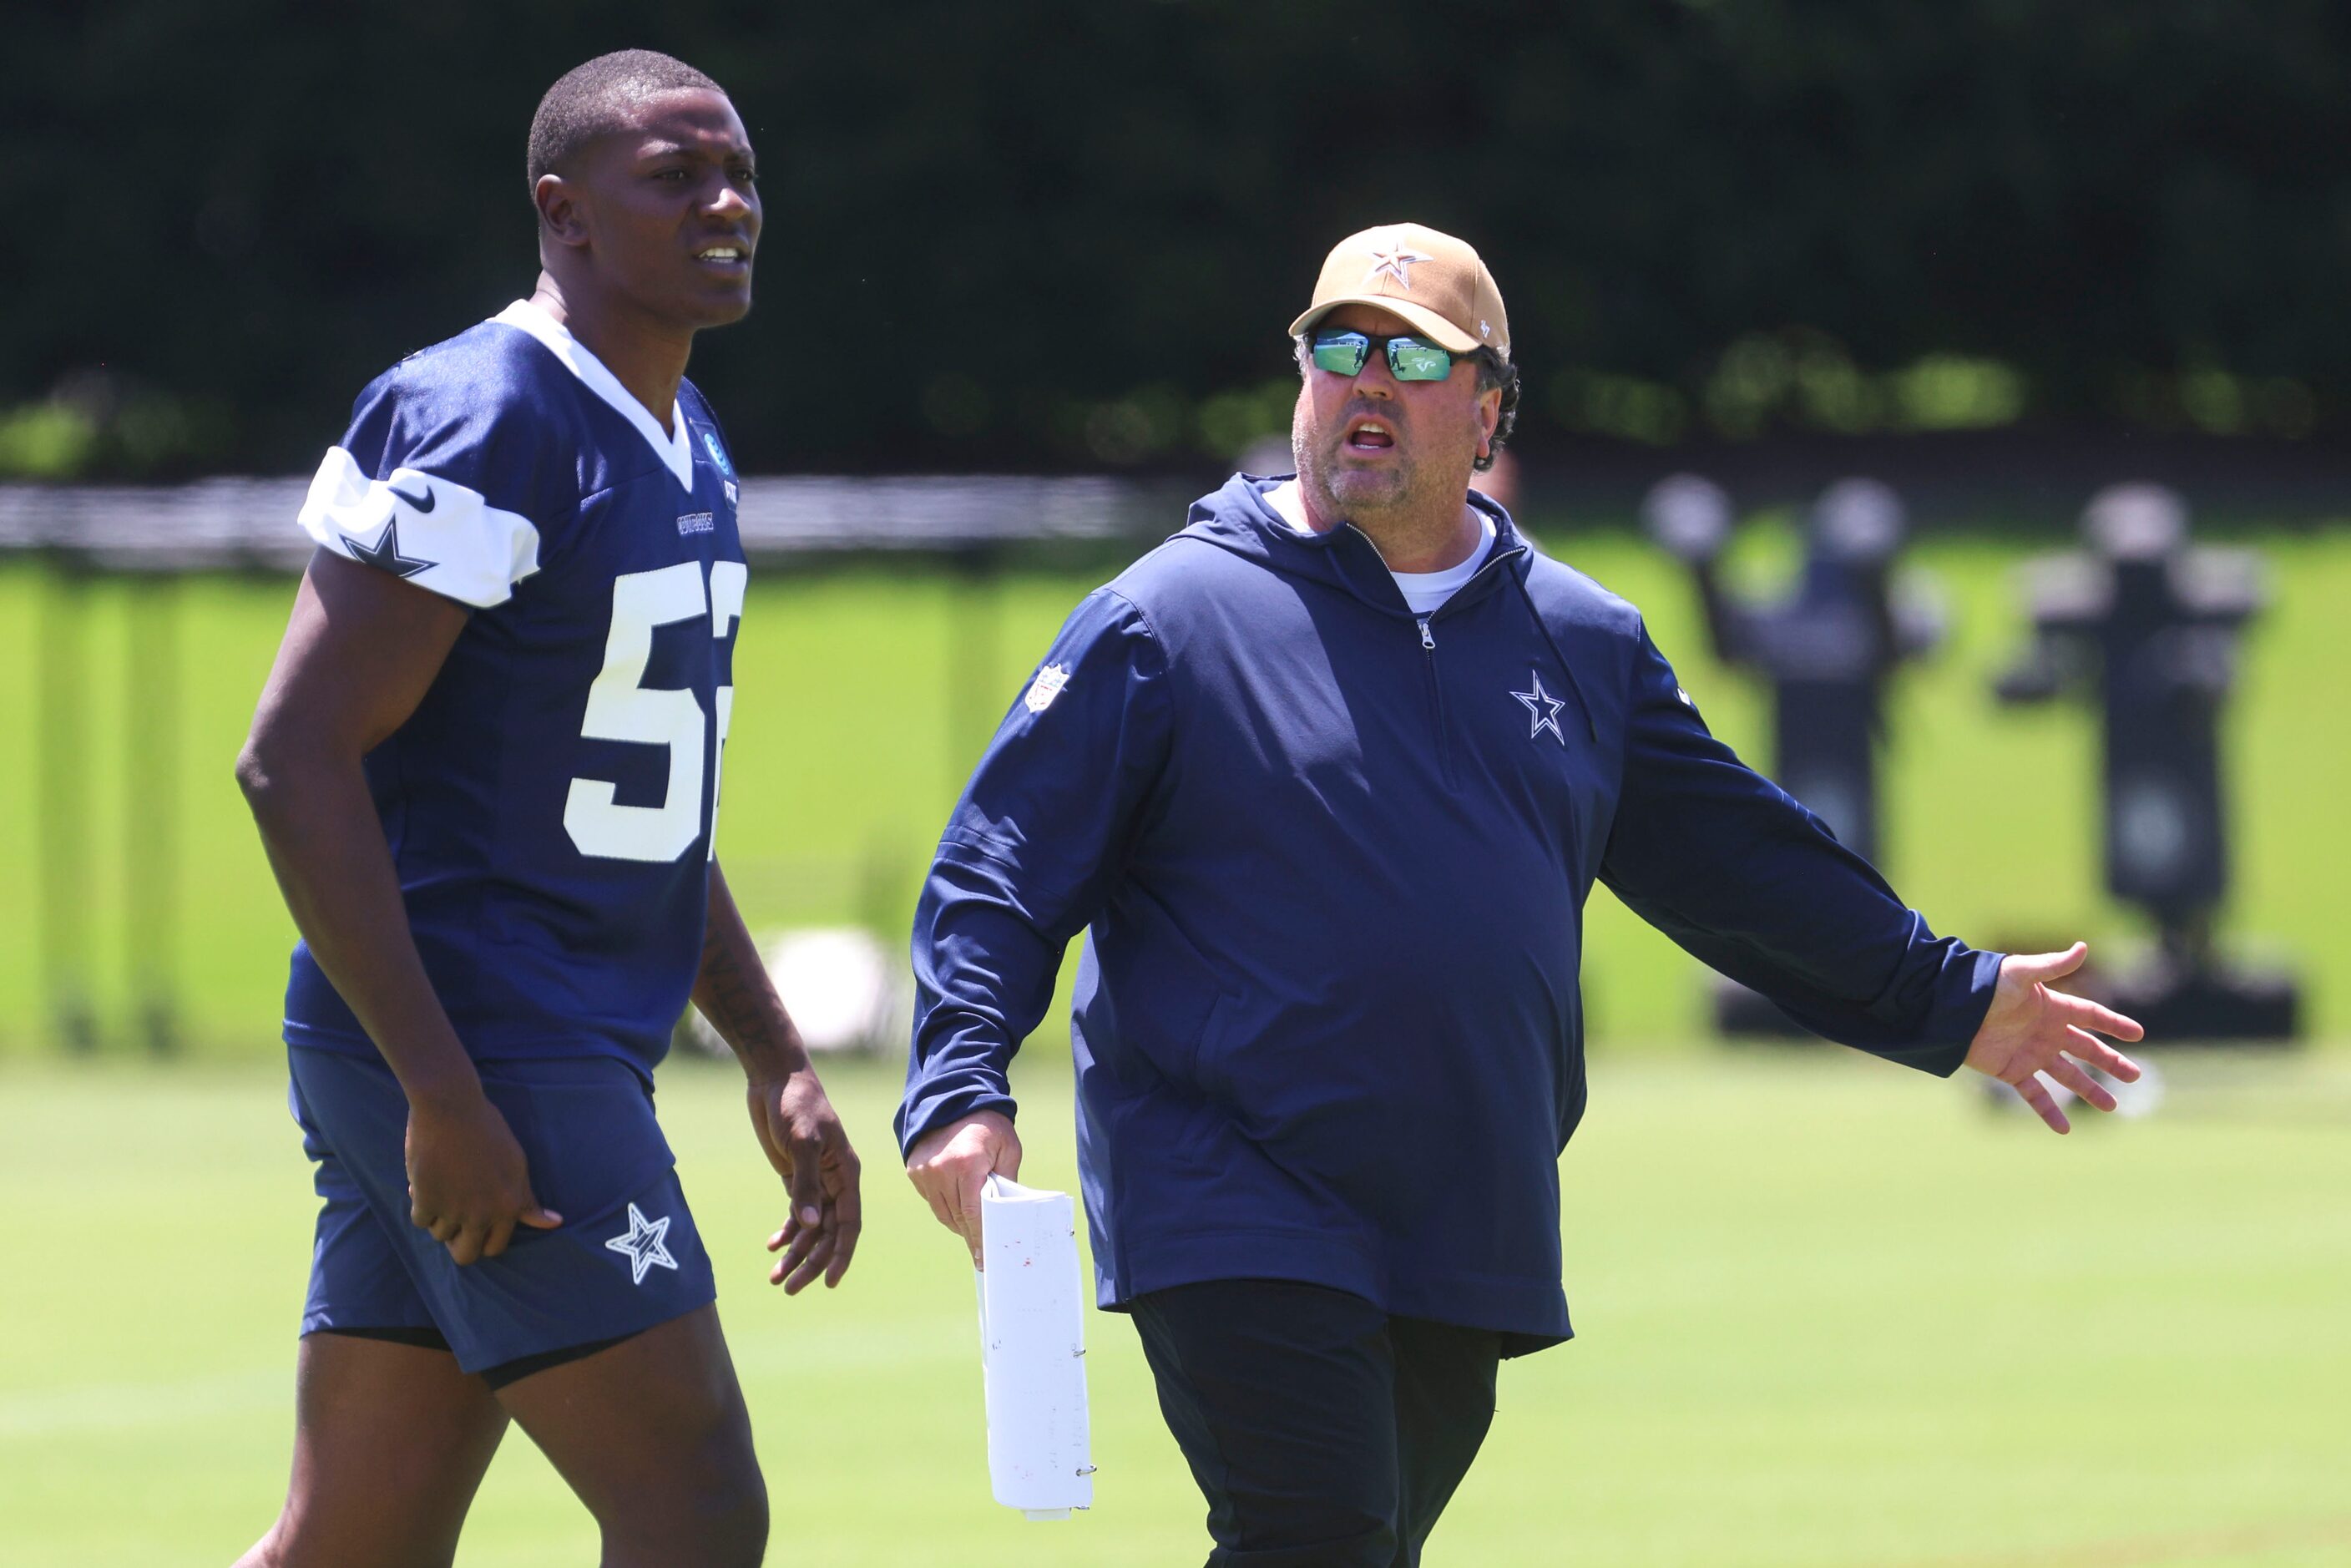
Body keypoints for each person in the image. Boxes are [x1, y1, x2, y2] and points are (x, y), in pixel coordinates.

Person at [898, 221, 2141, 1566]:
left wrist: (1952, 999)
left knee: (1355, 1544)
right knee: (1316, 1528)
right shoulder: (1169, 618)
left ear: (1490, 409)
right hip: (1229, 1185)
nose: (1367, 382)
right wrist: (960, 1083)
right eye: (1339, 349)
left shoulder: (1586, 641)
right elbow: (1002, 863)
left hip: (1461, 1203)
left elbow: (1743, 865)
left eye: (1415, 359)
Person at [233, 51, 860, 1568]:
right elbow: (291, 757)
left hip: (522, 1039)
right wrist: (443, 1091)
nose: (729, 206)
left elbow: (644, 812)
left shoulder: (686, 433)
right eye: (678, 178)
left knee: (356, 1540)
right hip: (481, 1041)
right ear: (563, 213)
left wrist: (773, 1051)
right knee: (695, 1499)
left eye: (743, 177)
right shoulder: (486, 411)